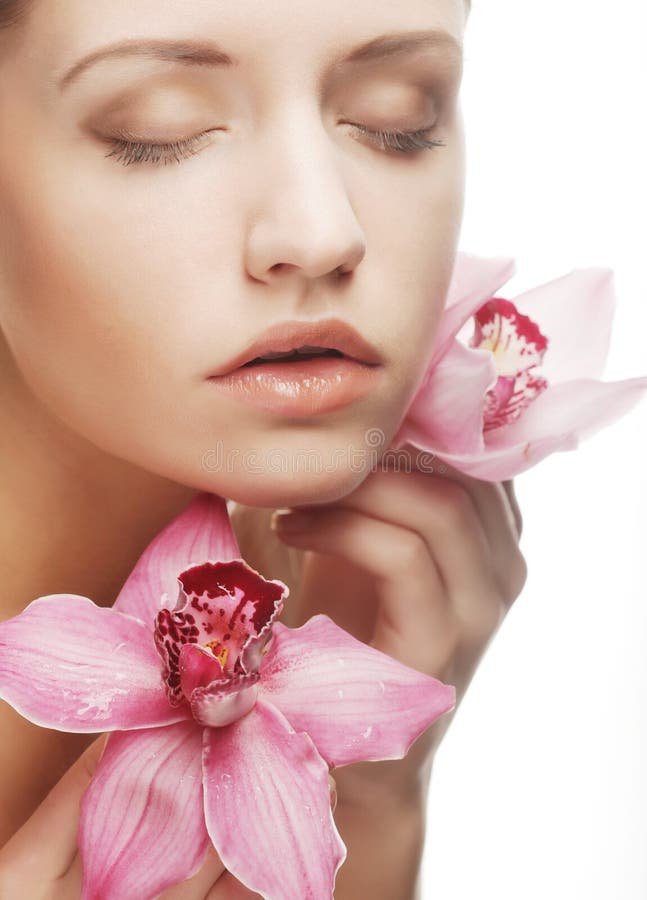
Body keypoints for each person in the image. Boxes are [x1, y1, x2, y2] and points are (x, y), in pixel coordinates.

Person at [0, 0, 526, 896]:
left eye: (400, 117)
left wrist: (369, 804)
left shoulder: (320, 615)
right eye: (158, 130)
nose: (324, 233)